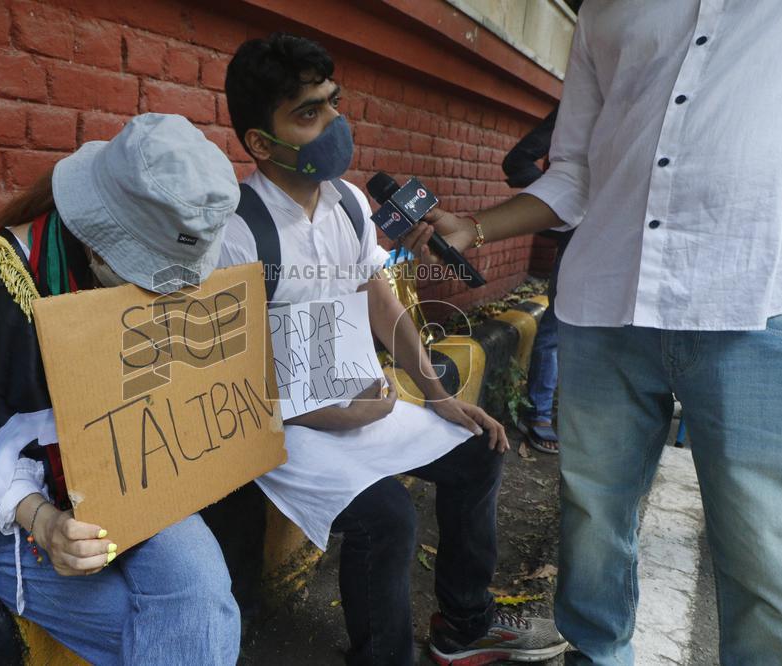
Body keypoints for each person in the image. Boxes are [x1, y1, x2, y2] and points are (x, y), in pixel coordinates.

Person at [402, 3, 782, 664]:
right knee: (591, 520)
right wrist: (476, 227)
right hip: (605, 298)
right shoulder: (609, 9)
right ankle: (595, 654)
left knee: (765, 552)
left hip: (758, 301)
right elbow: (576, 170)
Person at [220, 33, 568, 666]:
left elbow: (382, 301)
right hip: (279, 424)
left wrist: (436, 396)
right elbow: (222, 370)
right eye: (308, 113)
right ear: (259, 143)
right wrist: (316, 414)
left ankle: (463, 626)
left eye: (333, 103)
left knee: (477, 450)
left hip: (363, 404)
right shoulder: (238, 231)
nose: (333, 124)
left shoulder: (350, 203)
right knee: (388, 518)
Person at [0, 114, 242, 665]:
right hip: (21, 507)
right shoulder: (2, 282)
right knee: (182, 641)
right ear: (96, 242)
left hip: (130, 480)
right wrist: (45, 524)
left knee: (203, 585)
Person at [501, 106, 571, 454]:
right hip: (583, 241)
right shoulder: (581, 106)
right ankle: (539, 413)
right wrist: (569, 211)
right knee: (556, 332)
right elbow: (518, 163)